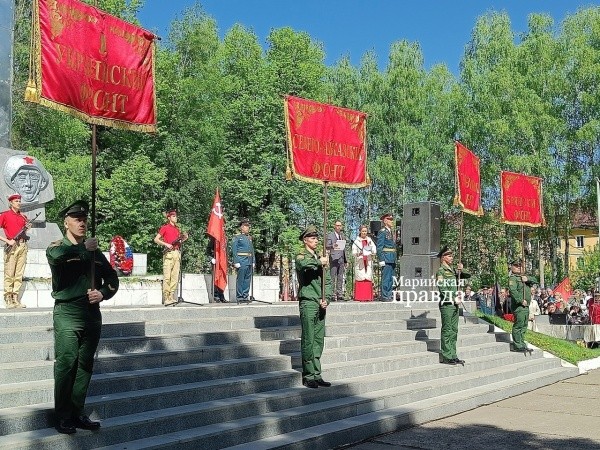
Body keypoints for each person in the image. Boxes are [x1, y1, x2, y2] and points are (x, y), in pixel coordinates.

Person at [46, 200, 119, 434]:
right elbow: (57, 258)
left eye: (85, 219)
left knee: (85, 364)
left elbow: (112, 278)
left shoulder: (94, 251)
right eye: (77, 219)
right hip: (68, 313)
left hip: (91, 314)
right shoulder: (57, 248)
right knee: (67, 363)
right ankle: (62, 416)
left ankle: (77, 412)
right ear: (66, 222)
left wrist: (103, 293)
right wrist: (84, 250)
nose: (82, 223)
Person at [296, 225, 332, 388]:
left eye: (317, 238)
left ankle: (317, 374)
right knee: (309, 339)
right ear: (305, 240)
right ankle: (308, 375)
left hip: (320, 303)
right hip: (309, 302)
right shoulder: (301, 255)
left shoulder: (321, 258)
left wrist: (327, 299)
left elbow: (328, 281)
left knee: (318, 340)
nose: (316, 240)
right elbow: (304, 265)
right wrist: (319, 261)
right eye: (312, 238)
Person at [436, 245, 470, 365]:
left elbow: (467, 275)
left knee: (454, 330)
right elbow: (442, 288)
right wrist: (452, 298)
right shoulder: (441, 271)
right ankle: (447, 355)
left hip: (454, 304)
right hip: (447, 304)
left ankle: (453, 354)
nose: (452, 258)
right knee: (447, 329)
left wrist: (462, 269)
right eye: (449, 256)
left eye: (452, 256)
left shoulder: (452, 271)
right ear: (443, 257)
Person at [0, 193, 30, 308]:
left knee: (19, 273)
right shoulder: (5, 215)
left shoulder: (23, 216)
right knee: (9, 272)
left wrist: (28, 228)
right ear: (11, 203)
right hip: (11, 246)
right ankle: (8, 299)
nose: (19, 203)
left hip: (22, 245)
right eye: (16, 201)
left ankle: (15, 298)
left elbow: (24, 232)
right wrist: (7, 241)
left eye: (19, 201)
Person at [154, 210, 188, 306]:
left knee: (175, 277)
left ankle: (171, 296)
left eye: (176, 216)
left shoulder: (177, 229)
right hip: (169, 254)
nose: (175, 218)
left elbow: (178, 243)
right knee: (167, 277)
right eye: (173, 216)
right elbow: (156, 239)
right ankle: (166, 298)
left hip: (177, 253)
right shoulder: (165, 228)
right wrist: (166, 244)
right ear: (169, 218)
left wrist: (184, 238)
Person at [508, 259, 537, 353]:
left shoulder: (524, 277)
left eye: (520, 266)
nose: (518, 267)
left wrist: (527, 279)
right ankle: (517, 345)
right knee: (519, 325)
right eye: (516, 266)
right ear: (512, 267)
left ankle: (522, 343)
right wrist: (520, 300)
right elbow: (513, 291)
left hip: (526, 306)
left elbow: (535, 280)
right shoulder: (513, 279)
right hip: (519, 306)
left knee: (524, 325)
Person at [231, 218, 255, 302]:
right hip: (241, 261)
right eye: (245, 226)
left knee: (247, 280)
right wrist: (236, 261)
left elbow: (252, 250)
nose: (247, 228)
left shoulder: (249, 238)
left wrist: (253, 261)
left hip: (249, 260)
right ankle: (240, 297)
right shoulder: (237, 237)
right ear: (241, 227)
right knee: (241, 279)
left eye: (248, 226)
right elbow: (234, 250)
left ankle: (245, 296)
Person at [351, 225, 377, 301]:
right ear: (360, 232)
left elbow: (374, 249)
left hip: (368, 260)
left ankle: (367, 297)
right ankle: (360, 297)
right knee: (361, 277)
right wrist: (359, 253)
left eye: (365, 231)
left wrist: (371, 252)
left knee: (368, 276)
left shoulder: (369, 240)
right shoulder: (356, 241)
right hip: (360, 261)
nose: (364, 233)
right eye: (363, 231)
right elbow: (354, 252)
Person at [376, 213, 397, 302]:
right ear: (385, 221)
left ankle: (389, 294)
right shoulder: (382, 232)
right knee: (386, 278)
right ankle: (384, 295)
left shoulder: (391, 232)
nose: (392, 221)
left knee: (391, 278)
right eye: (390, 219)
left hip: (392, 257)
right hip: (386, 257)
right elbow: (379, 247)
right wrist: (381, 259)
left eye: (392, 220)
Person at [325, 220, 348, 301]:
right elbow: (327, 246)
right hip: (334, 258)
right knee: (332, 277)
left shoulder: (342, 236)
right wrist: (333, 245)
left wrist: (345, 260)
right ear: (334, 226)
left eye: (340, 225)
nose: (338, 227)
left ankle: (339, 294)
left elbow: (344, 249)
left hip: (341, 258)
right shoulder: (330, 235)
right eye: (337, 225)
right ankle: (331, 294)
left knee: (340, 277)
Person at [206, 235, 227, 303]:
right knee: (216, 278)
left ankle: (221, 295)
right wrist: (211, 258)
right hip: (216, 261)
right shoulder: (214, 239)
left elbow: (225, 251)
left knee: (222, 279)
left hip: (222, 262)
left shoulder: (224, 238)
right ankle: (216, 295)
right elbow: (208, 250)